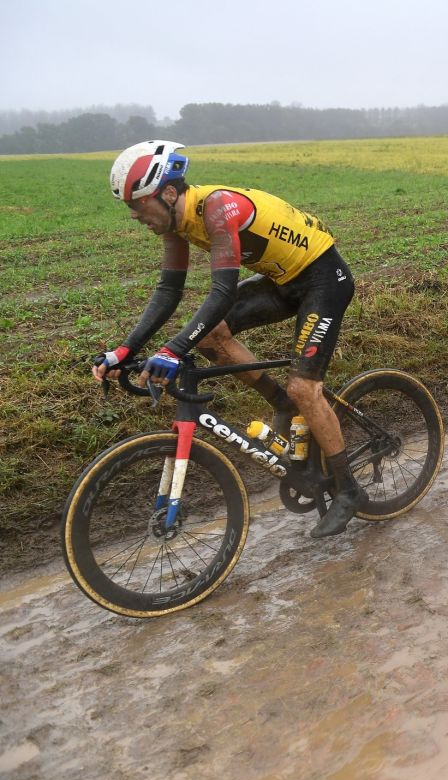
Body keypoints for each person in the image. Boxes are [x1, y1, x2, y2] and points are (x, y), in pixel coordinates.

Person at [94, 140, 364, 539]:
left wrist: (171, 350)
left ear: (169, 194)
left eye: (138, 204)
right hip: (282, 281)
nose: (134, 215)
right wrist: (124, 350)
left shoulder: (218, 208)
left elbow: (221, 293)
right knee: (210, 338)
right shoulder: (176, 224)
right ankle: (282, 403)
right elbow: (168, 292)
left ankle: (349, 490)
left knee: (305, 387)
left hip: (323, 279)